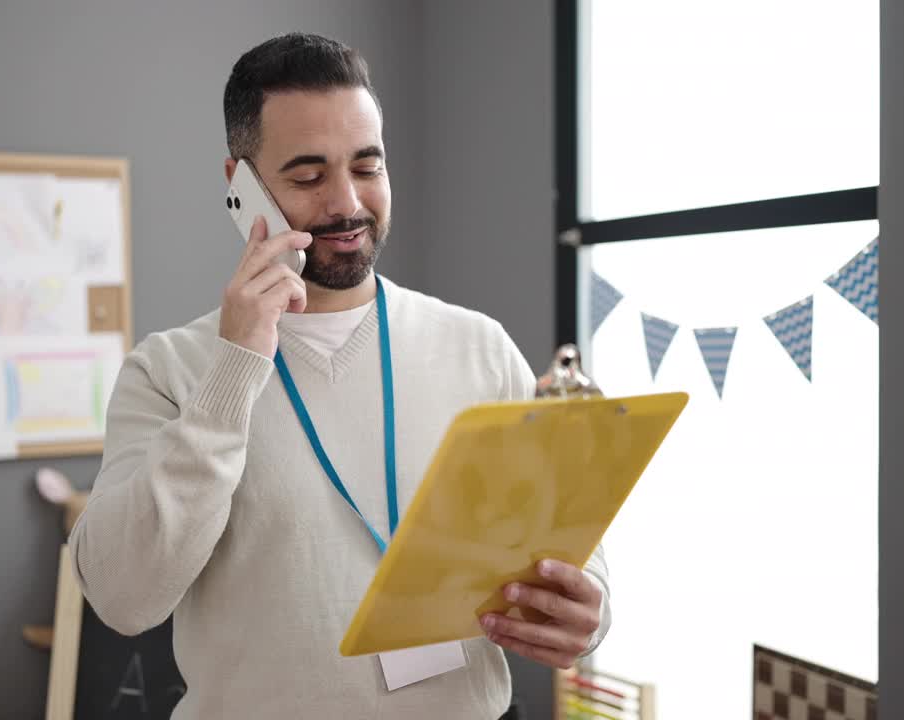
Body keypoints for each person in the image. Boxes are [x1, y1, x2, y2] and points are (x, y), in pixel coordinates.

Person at [69, 32, 611, 719]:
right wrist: (235, 369)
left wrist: (590, 609)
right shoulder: (168, 371)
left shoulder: (477, 346)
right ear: (240, 185)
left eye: (367, 165)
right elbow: (122, 597)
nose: (346, 203)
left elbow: (567, 544)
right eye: (307, 175)